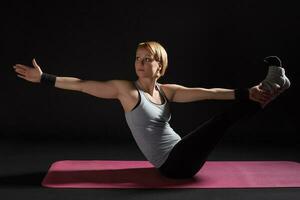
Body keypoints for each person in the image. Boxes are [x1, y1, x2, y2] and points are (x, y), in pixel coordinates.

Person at [13, 41, 290, 179]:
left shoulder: (166, 91)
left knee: (222, 118)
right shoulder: (127, 90)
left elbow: (208, 93)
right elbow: (84, 85)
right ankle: (269, 88)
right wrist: (45, 78)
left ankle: (267, 91)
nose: (141, 63)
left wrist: (244, 93)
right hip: (173, 166)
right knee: (220, 121)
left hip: (185, 155)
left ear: (161, 66)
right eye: (138, 59)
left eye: (148, 59)